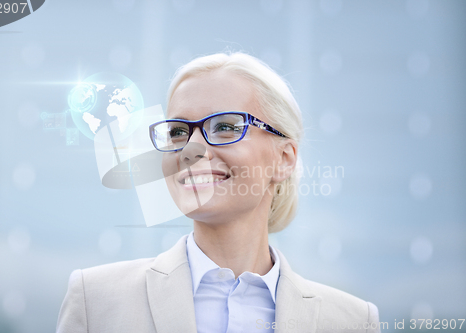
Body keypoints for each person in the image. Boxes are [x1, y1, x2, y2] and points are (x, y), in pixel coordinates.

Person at [56, 52, 380, 333]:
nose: (192, 149)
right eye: (178, 132)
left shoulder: (351, 322)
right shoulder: (95, 301)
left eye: (225, 126)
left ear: (284, 159)